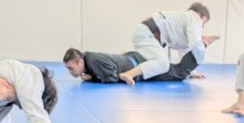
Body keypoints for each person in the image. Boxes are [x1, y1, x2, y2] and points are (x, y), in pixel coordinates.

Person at [122, 3, 219, 85]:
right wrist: (203, 48)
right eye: (204, 23)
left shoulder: (181, 21)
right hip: (147, 34)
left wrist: (192, 72)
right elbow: (196, 42)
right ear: (201, 15)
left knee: (152, 62)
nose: (202, 26)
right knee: (163, 64)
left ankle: (124, 61)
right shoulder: (194, 17)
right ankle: (129, 74)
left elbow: (184, 49)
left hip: (144, 34)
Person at [62, 46, 202, 85]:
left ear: (80, 62)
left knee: (179, 73)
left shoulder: (93, 62)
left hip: (138, 65)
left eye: (71, 68)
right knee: (171, 69)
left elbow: (112, 77)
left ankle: (200, 47)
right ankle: (191, 72)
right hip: (133, 59)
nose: (70, 72)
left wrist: (92, 78)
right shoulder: (86, 58)